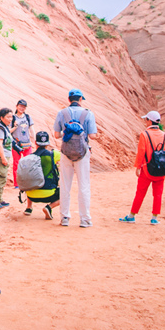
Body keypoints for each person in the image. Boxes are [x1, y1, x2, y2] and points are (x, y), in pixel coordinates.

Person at [53, 88, 98, 227]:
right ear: (80, 100)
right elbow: (92, 136)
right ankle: (85, 219)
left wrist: (66, 134)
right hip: (82, 153)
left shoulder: (62, 113)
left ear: (69, 100)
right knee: (83, 186)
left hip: (66, 153)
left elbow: (56, 135)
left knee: (65, 185)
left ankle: (64, 218)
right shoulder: (88, 113)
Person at [119, 111, 165, 225]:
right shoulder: (164, 135)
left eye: (146, 119)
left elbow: (141, 152)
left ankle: (131, 216)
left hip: (147, 169)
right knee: (158, 194)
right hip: (161, 168)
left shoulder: (144, 134)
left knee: (140, 192)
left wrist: (137, 166)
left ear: (149, 120)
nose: (145, 121)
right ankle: (154, 218)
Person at [22, 131, 60, 219]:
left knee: (31, 179)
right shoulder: (53, 155)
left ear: (35, 143)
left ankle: (28, 207)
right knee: (65, 194)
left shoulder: (30, 157)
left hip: (31, 195)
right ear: (48, 143)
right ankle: (49, 207)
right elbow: (64, 156)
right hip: (48, 195)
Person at [10, 100, 35, 188]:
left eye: (23, 107)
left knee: (29, 163)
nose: (22, 108)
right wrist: (15, 127)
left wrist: (34, 139)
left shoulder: (27, 117)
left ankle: (28, 182)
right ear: (16, 106)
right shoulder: (12, 118)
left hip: (27, 144)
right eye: (20, 106)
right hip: (16, 144)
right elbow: (8, 131)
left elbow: (31, 129)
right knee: (16, 163)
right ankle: (17, 184)